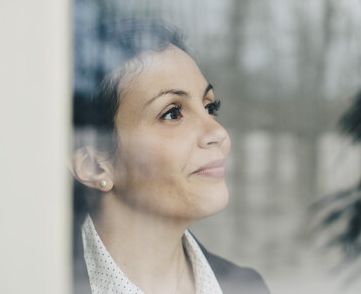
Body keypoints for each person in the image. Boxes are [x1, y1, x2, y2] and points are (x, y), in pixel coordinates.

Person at [71, 20, 269, 294]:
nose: (218, 132)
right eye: (172, 113)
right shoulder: (36, 281)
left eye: (210, 107)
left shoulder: (248, 288)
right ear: (94, 166)